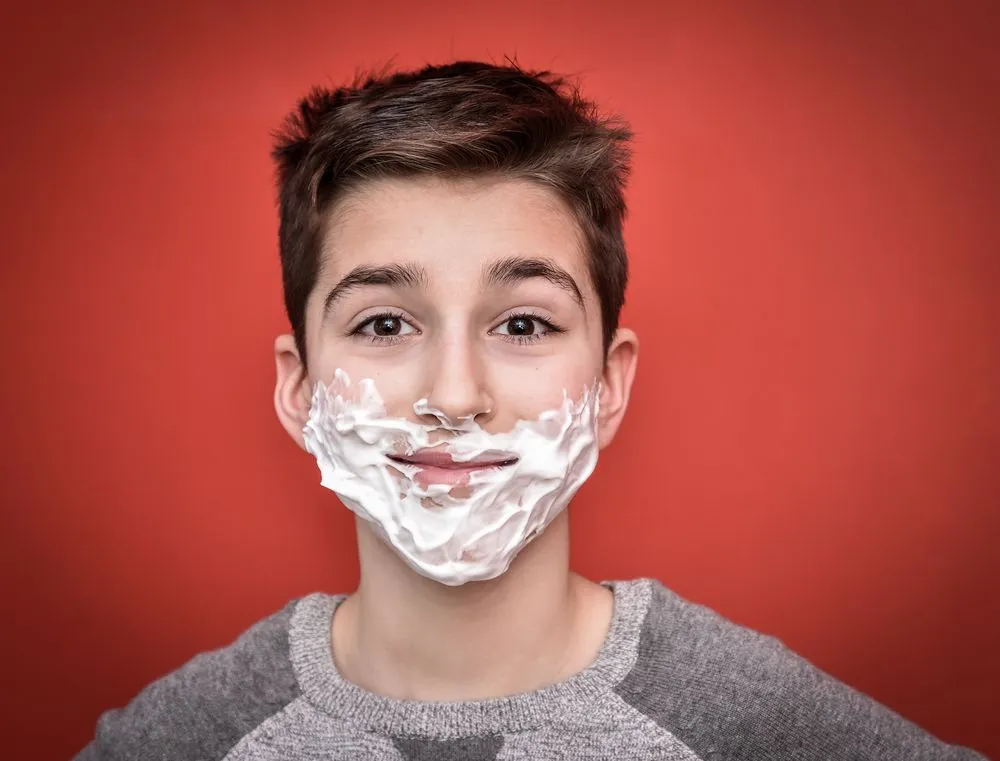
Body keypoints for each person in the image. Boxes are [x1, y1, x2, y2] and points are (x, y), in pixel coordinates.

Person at [75, 61, 987, 761]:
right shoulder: (177, 739)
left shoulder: (756, 725)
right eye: (385, 322)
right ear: (299, 389)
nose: (457, 395)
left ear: (610, 386)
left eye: (522, 322)